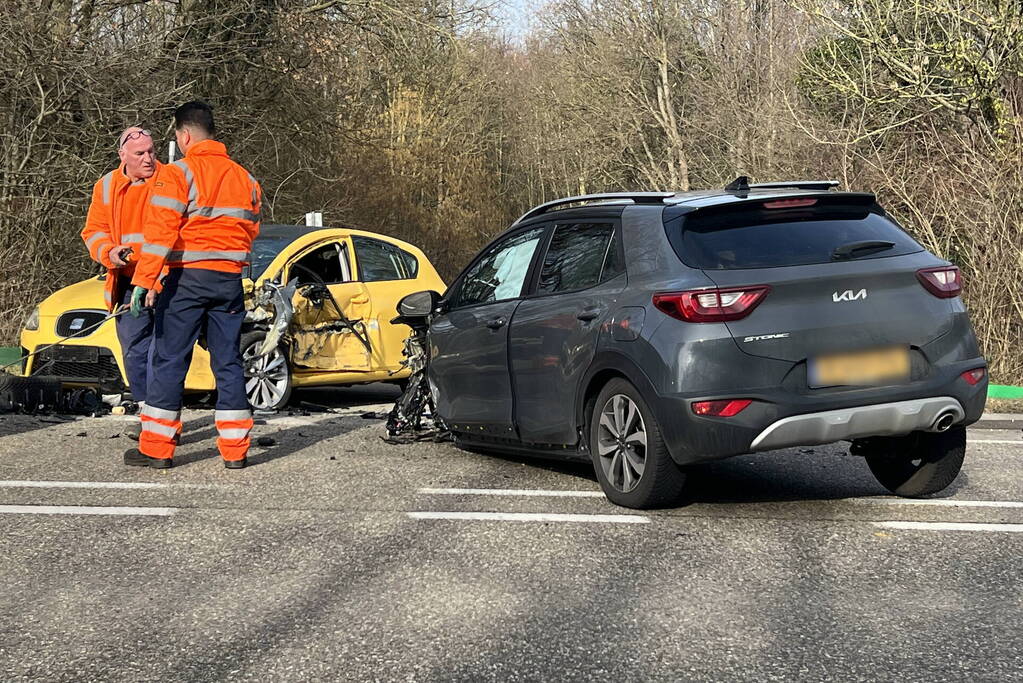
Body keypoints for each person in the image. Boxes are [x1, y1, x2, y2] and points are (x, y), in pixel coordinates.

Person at [126, 101, 262, 469]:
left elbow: (160, 234)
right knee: (228, 361)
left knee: (170, 360)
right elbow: (250, 232)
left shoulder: (178, 173)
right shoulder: (246, 179)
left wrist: (144, 280)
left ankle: (157, 450)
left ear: (184, 135)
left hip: (186, 280)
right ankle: (235, 452)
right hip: (229, 281)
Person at [81, 126, 161, 438]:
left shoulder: (170, 181)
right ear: (123, 156)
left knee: (163, 350)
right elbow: (93, 231)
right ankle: (147, 413)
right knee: (135, 350)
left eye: (152, 151)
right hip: (126, 281)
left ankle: (162, 418)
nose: (148, 158)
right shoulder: (106, 186)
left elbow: (174, 238)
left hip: (162, 279)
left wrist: (155, 279)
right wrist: (110, 253)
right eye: (140, 153)